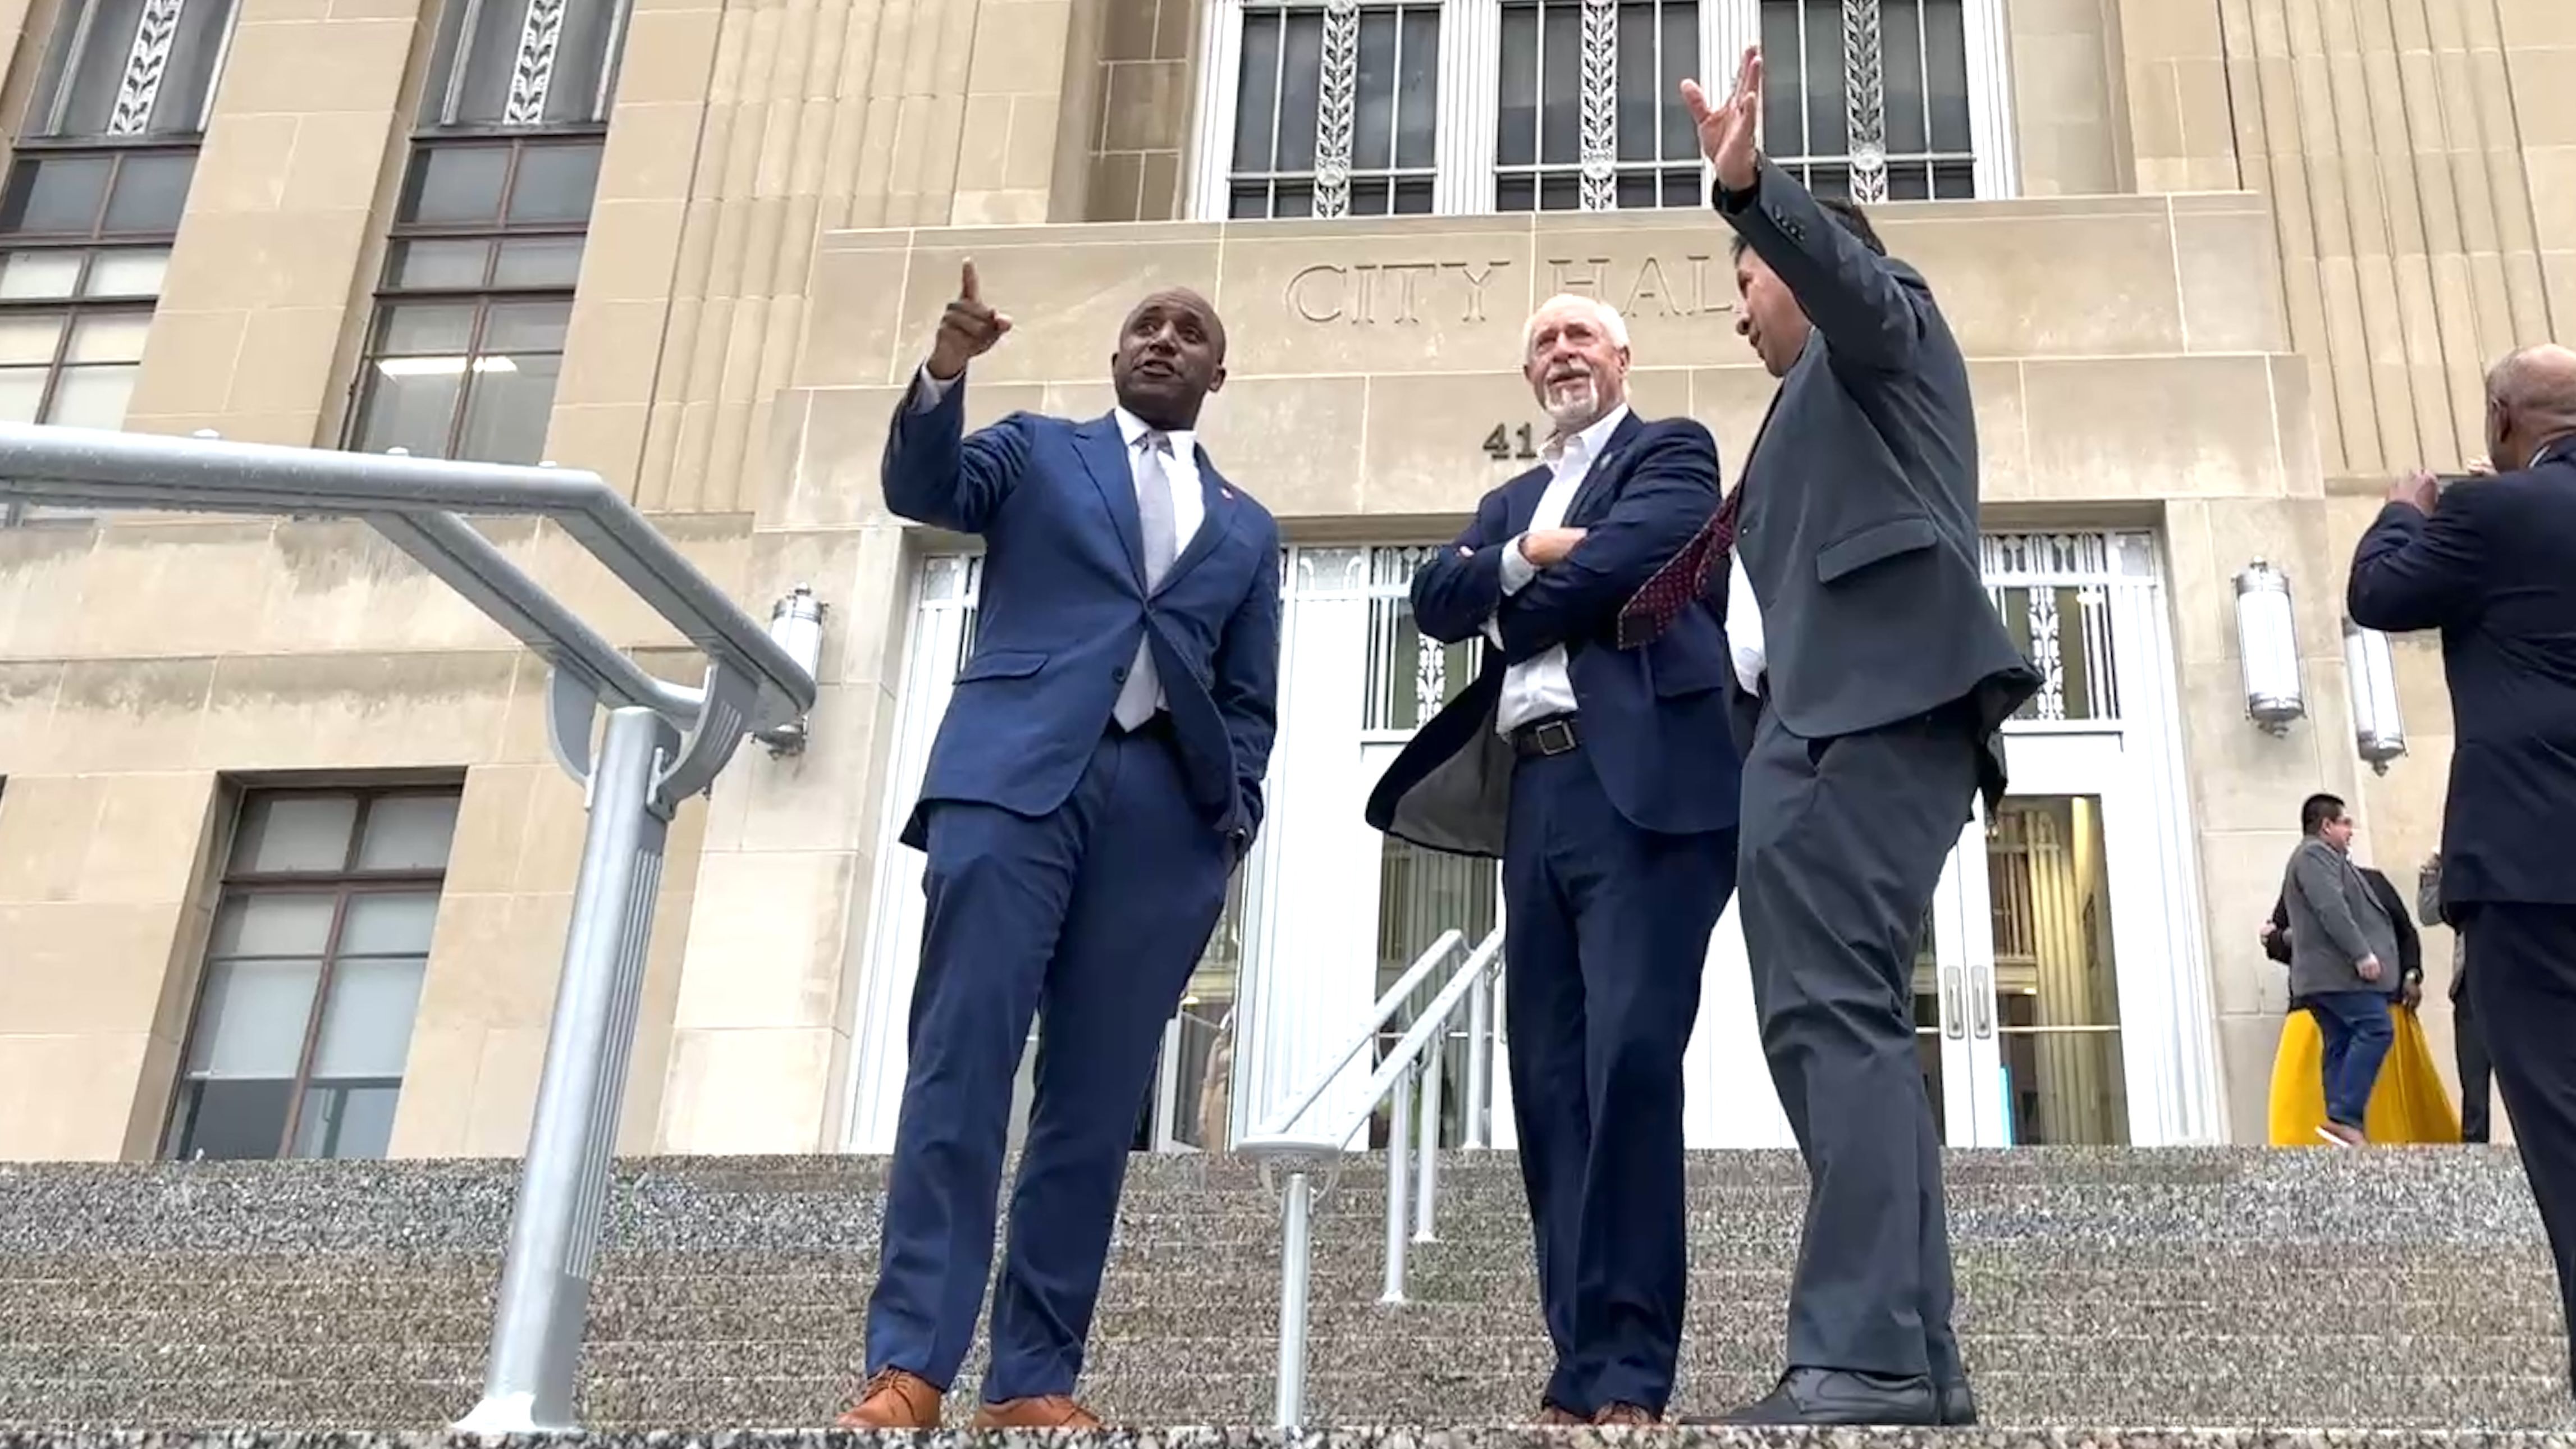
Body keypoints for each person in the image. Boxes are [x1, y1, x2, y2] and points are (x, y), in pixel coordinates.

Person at [1616, 50, 2038, 1427]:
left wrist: (1748, 191)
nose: (1739, 315)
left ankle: (1857, 1351)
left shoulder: (1883, 330)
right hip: (1815, 735)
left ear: (1798, 263)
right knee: (1845, 1030)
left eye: (1743, 283)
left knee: (1827, 1025)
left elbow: (1854, 283)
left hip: (1860, 724)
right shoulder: (1806, 414)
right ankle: (1910, 1356)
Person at [839, 266, 1282, 1429]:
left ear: (1215, 373)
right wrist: (947, 368)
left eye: (1190, 334)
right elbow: (920, 485)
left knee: (1091, 1107)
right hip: (1013, 782)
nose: (1164, 341)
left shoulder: (1245, 526)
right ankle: (909, 1366)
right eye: (1146, 325)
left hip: (1160, 819)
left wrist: (1227, 815)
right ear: (1116, 354)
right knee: (961, 1065)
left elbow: (1250, 698)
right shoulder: (1036, 451)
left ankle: (1033, 1377)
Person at [1366, 293, 1737, 1427]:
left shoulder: (1670, 450)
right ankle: (1580, 1362)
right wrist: (1524, 552)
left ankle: (1631, 1368)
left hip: (1644, 794)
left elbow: (1634, 561)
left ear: (1620, 356)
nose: (1561, 351)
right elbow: (1432, 598)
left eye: (1581, 336)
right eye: (1542, 341)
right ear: (1528, 373)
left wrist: (1508, 596)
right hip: (1537, 795)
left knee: (1627, 1063)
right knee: (1545, 1082)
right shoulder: (1509, 501)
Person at [2349, 343, 2576, 1394]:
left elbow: (2378, 594)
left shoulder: (2491, 513)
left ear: (2500, 422)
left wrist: (2403, 508)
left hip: (2534, 869)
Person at [2262, 794, 2438, 1145]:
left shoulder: (2326, 861)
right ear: (2326, 826)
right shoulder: (2314, 856)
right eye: (2345, 823)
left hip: (2324, 980)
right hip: (2339, 978)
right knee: (2376, 1028)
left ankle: (2340, 1124)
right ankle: (2345, 1116)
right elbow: (2332, 910)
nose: (2350, 831)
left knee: (2340, 1042)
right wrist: (2363, 955)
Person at [2420, 849, 2492, 1142]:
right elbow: (2428, 914)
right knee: (2473, 1083)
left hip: (2515, 985)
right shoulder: (2460, 867)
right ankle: (2475, 1154)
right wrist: (2432, 876)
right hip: (2470, 986)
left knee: (2530, 1083)